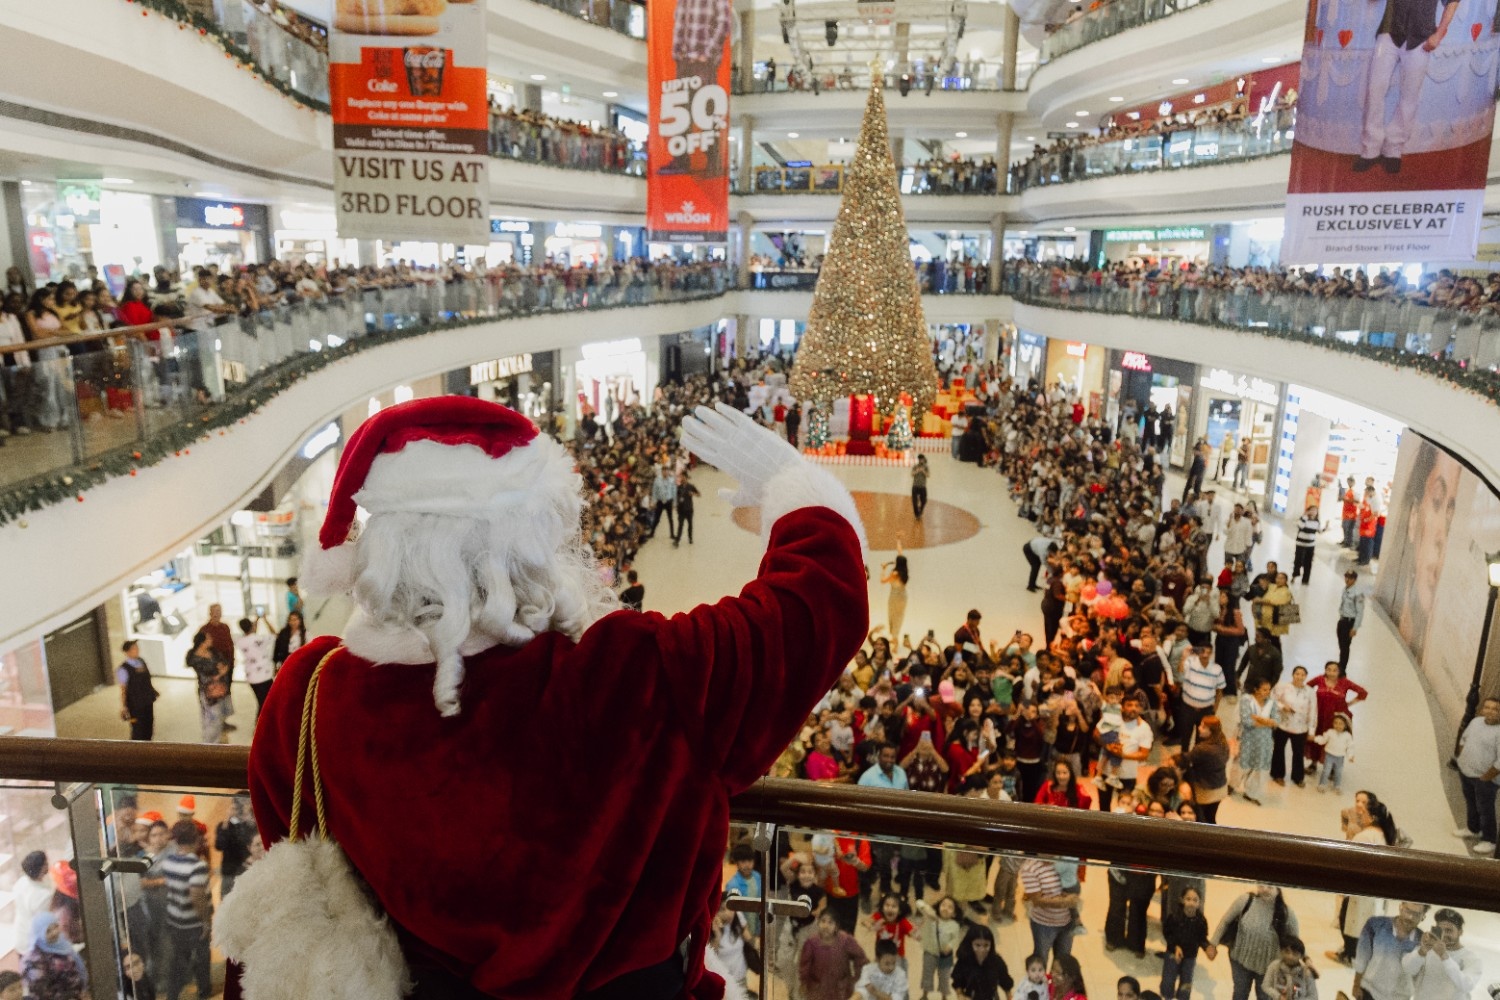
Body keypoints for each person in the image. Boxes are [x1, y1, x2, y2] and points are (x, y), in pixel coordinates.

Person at [220, 397, 872, 998]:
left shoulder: (307, 696)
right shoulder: (632, 676)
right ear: (530, 540)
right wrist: (796, 489)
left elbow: (300, 839)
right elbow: (817, 607)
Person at [1353, 0, 1461, 175]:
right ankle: (1370, 150)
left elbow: (1452, 2)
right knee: (1375, 89)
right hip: (1389, 32)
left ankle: (1393, 150)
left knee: (1410, 95)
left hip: (1421, 37)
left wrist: (1439, 34)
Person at [1329, 792, 1402, 965]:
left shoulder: (1366, 835)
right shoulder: (1383, 834)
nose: (1360, 815)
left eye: (1363, 813)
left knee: (1349, 920)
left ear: (1372, 816)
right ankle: (1353, 953)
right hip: (1372, 889)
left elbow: (1349, 859)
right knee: (1359, 922)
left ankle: (1350, 955)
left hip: (1360, 888)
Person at [1212, 885, 1299, 1000]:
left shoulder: (1287, 913)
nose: (1265, 890)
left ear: (1278, 889)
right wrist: (1213, 944)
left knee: (1264, 997)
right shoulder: (1245, 900)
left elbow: (1296, 943)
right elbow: (1225, 921)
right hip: (1240, 960)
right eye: (1262, 885)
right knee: (1240, 993)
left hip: (1269, 968)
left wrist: (1304, 962)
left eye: (1270, 886)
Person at [161, 820, 211, 1000]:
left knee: (178, 961)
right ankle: (204, 993)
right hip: (193, 923)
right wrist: (206, 921)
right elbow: (197, 895)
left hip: (174, 919)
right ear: (196, 839)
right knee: (202, 959)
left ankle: (172, 994)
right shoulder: (197, 866)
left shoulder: (169, 861)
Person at [1453, 695, 1500, 854]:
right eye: (1487, 707)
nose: (1490, 711)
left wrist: (1485, 777)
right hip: (1466, 772)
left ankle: (1489, 839)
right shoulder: (1476, 722)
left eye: (1496, 709)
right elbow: (1463, 740)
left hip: (1484, 779)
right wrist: (1461, 760)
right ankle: (1473, 829)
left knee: (1485, 809)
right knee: (1471, 802)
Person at [1401, 908, 1482, 1000]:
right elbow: (1408, 969)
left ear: (1460, 932)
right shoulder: (1427, 949)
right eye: (1440, 930)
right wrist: (1422, 951)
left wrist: (1444, 956)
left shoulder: (1471, 958)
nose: (1444, 935)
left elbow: (1467, 985)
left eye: (1448, 931)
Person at [1352, 902, 1427, 1000]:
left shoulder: (1424, 942)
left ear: (1423, 917)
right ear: (1401, 907)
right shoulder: (1375, 924)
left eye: (1416, 914)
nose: (1410, 917)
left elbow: (1421, 979)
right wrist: (1356, 984)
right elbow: (1362, 957)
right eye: (1407, 910)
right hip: (1369, 992)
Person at [1306, 662, 1368, 772]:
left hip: (1336, 719)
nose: (1331, 672)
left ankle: (1333, 768)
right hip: (1319, 716)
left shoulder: (1345, 682)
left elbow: (1362, 693)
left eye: (1335, 670)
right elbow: (1306, 687)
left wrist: (1348, 704)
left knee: (1335, 741)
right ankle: (1313, 763)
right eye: (1328, 669)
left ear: (1339, 672)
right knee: (1316, 738)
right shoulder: (1319, 679)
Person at [1020, 857, 1078, 965]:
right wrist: (1064, 902)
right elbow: (1036, 901)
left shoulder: (1064, 861)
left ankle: (1056, 982)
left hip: (1067, 921)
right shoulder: (1030, 868)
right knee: (1041, 961)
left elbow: (1072, 884)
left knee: (1063, 962)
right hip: (1044, 925)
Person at [800, 910, 867, 1000]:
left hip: (841, 989)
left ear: (836, 926)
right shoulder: (811, 943)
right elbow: (805, 965)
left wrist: (858, 978)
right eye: (823, 921)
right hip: (817, 989)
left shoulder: (845, 941)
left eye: (830, 922)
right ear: (818, 923)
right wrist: (804, 982)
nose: (826, 926)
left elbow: (860, 957)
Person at [1161, 886, 1214, 1000]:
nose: (1191, 903)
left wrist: (1207, 947)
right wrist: (1175, 946)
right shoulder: (1174, 916)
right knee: (1168, 979)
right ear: (1182, 900)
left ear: (1200, 902)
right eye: (1188, 899)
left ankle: (1183, 998)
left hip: (1190, 956)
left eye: (1195, 900)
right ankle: (1167, 996)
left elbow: (1202, 938)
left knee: (1186, 981)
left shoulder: (1201, 920)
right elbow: (1167, 933)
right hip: (1172, 953)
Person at [21, 912, 86, 1000]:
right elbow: (42, 993)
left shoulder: (63, 945)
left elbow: (78, 971)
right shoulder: (35, 960)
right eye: (48, 931)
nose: (54, 932)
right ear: (39, 934)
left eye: (55, 926)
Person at [1178, 716, 1231, 823]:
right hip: (1220, 787)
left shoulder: (1202, 749)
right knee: (1211, 816)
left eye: (1203, 727)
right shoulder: (1222, 741)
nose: (1199, 728)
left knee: (1201, 817)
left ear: (1211, 731)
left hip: (1205, 790)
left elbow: (1186, 759)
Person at [1270, 667, 1316, 788]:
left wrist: (1311, 730)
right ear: (1292, 674)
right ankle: (1277, 775)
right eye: (1297, 673)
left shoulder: (1310, 692)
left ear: (1306, 676)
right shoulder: (1283, 687)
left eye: (1302, 674)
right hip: (1283, 725)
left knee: (1298, 753)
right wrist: (1281, 706)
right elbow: (1272, 700)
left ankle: (1298, 777)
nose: (1299, 677)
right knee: (1278, 750)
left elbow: (1313, 711)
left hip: (1300, 728)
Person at [1235, 678, 1277, 805]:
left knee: (1258, 768)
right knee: (1242, 765)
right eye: (1264, 689)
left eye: (1269, 689)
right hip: (1248, 739)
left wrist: (1258, 719)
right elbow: (1247, 721)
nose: (1267, 692)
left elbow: (1276, 721)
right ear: (1256, 689)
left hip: (1264, 741)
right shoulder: (1246, 700)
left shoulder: (1271, 703)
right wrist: (1267, 722)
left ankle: (1250, 793)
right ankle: (1232, 786)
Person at [914, 897, 964, 1000]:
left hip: (945, 956)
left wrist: (949, 946)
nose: (946, 908)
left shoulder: (954, 925)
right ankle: (925, 995)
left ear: (954, 913)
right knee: (927, 975)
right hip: (930, 952)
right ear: (938, 907)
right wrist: (929, 911)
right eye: (943, 905)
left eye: (950, 907)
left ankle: (944, 996)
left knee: (944, 978)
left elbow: (955, 939)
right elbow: (918, 903)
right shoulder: (930, 918)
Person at [185, 630, 228, 744]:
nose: (211, 640)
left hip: (220, 688)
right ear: (202, 642)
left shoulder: (212, 651)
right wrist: (219, 672)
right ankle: (209, 744)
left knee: (218, 717)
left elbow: (223, 662)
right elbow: (207, 674)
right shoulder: (195, 657)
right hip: (208, 691)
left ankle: (216, 741)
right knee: (211, 717)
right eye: (208, 639)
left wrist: (221, 670)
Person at [953, 924, 1013, 1000]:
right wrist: (960, 995)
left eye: (986, 945)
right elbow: (958, 982)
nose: (982, 950)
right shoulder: (964, 961)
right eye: (977, 945)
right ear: (970, 944)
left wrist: (1009, 997)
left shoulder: (997, 961)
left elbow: (1005, 982)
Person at [11, 851, 53, 957]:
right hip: (34, 945)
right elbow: (45, 924)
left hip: (20, 937)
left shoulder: (20, 883)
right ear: (42, 868)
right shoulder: (44, 896)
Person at [215, 795, 256, 898]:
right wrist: (227, 820)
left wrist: (248, 818)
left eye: (244, 805)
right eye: (237, 806)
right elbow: (219, 845)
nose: (240, 809)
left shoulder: (251, 825)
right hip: (229, 874)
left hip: (248, 874)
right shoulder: (224, 825)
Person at [117, 640, 158, 741]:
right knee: (138, 729)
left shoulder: (141, 662)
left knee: (149, 726)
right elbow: (123, 689)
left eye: (137, 647)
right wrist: (124, 707)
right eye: (134, 648)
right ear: (127, 652)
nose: (137, 650)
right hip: (135, 704)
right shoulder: (123, 669)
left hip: (147, 701)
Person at [237, 615, 277, 717]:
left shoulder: (240, 641)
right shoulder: (260, 639)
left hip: (251, 676)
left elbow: (252, 636)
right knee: (267, 703)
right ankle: (260, 726)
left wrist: (256, 622)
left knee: (261, 701)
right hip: (264, 676)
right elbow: (274, 634)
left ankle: (261, 725)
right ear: (252, 626)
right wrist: (265, 620)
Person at [1312, 714, 1355, 794]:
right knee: (1326, 771)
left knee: (1338, 772)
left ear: (1345, 725)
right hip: (1329, 755)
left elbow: (1350, 747)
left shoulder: (1347, 736)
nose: (1338, 726)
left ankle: (1337, 786)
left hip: (1340, 757)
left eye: (1341, 724)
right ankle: (1322, 784)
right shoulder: (1330, 732)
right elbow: (1323, 740)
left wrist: (1350, 756)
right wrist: (1315, 738)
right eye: (1336, 723)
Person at [1336, 571, 1365, 675]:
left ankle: (1342, 669)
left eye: (1350, 578)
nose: (1347, 580)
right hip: (1342, 620)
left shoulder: (1357, 593)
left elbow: (1360, 612)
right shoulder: (1345, 589)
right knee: (1341, 644)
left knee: (1345, 646)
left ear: (1354, 580)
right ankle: (1340, 664)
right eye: (1346, 577)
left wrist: (1355, 628)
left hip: (1349, 622)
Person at [881, 543, 909, 638]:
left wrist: (883, 569)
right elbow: (900, 553)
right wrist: (898, 540)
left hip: (895, 597)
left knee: (893, 616)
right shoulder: (905, 571)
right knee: (899, 617)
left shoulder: (895, 573)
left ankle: (894, 638)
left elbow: (883, 581)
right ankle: (895, 636)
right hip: (903, 596)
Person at [1292, 505, 1319, 585]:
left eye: (1315, 511)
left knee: (1308, 562)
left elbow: (1319, 530)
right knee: (1298, 561)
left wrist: (1326, 527)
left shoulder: (1317, 521)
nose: (1313, 512)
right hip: (1301, 544)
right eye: (1312, 510)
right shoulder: (1304, 519)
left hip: (1310, 545)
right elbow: (1300, 525)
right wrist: (1305, 516)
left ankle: (1305, 580)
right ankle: (1294, 576)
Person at [672, 473, 699, 547]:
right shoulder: (679, 487)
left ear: (686, 478)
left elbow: (699, 494)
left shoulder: (691, 486)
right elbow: (676, 497)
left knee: (690, 524)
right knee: (680, 525)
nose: (682, 479)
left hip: (689, 509)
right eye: (681, 477)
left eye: (683, 477)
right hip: (681, 510)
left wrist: (692, 493)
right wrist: (675, 505)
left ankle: (690, 538)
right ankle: (677, 540)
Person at [912, 454, 930, 519]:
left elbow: (928, 475)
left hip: (922, 486)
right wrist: (917, 471)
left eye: (922, 459)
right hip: (915, 486)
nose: (920, 460)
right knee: (914, 501)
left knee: (924, 500)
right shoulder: (915, 466)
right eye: (919, 459)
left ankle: (921, 509)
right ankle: (917, 514)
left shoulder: (926, 467)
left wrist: (923, 471)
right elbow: (912, 474)